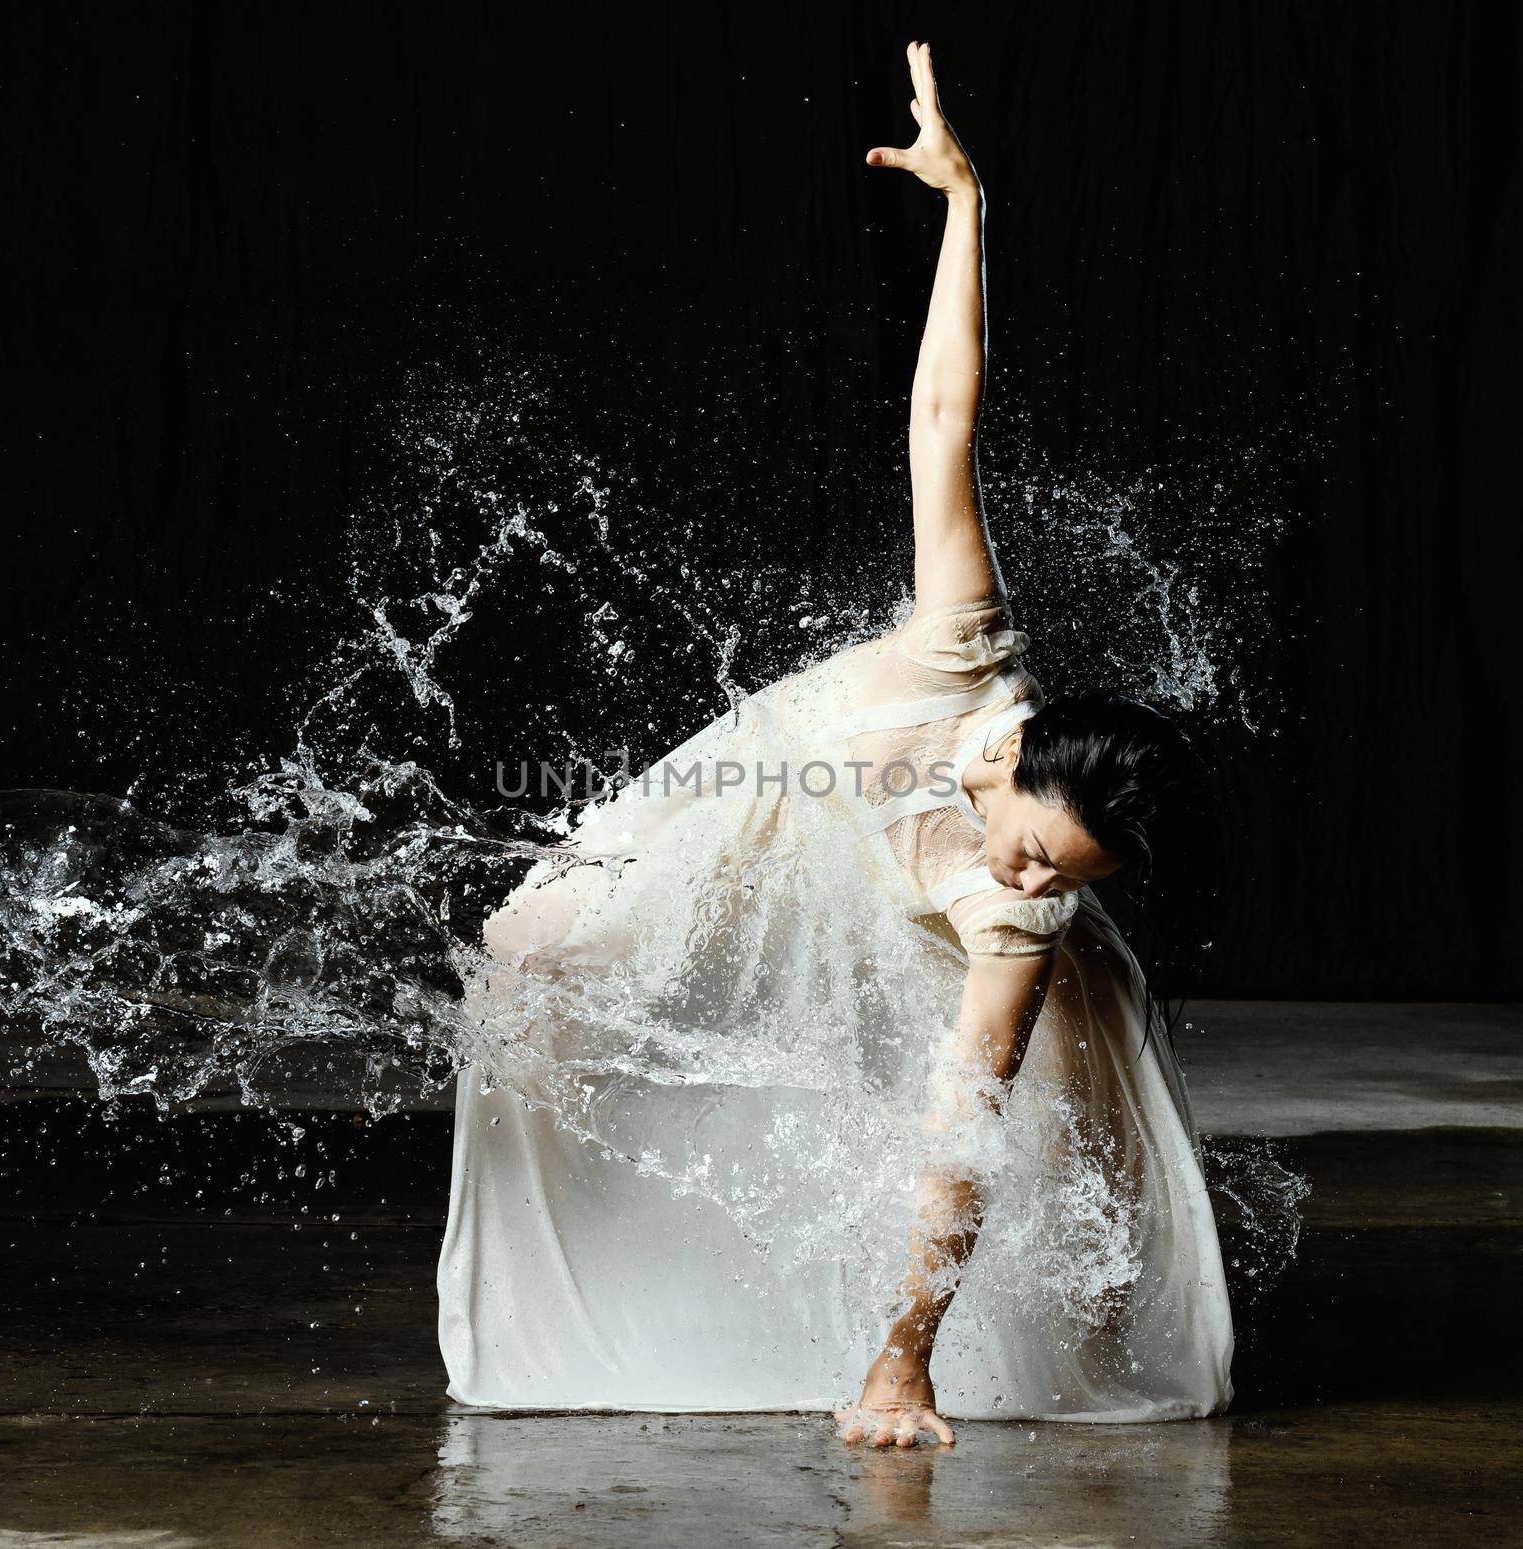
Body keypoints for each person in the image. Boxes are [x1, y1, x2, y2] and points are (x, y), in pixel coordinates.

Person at [437, 40, 1233, 1448]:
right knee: (521, 955)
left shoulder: (1015, 914)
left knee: (1036, 1104)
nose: (1040, 883)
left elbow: (957, 1147)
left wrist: (902, 1359)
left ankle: (986, 1306)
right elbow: (943, 417)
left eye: (1071, 880)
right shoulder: (964, 645)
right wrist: (964, 206)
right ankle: (583, 1255)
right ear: (1024, 758)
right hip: (752, 795)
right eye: (1047, 852)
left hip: (890, 891)